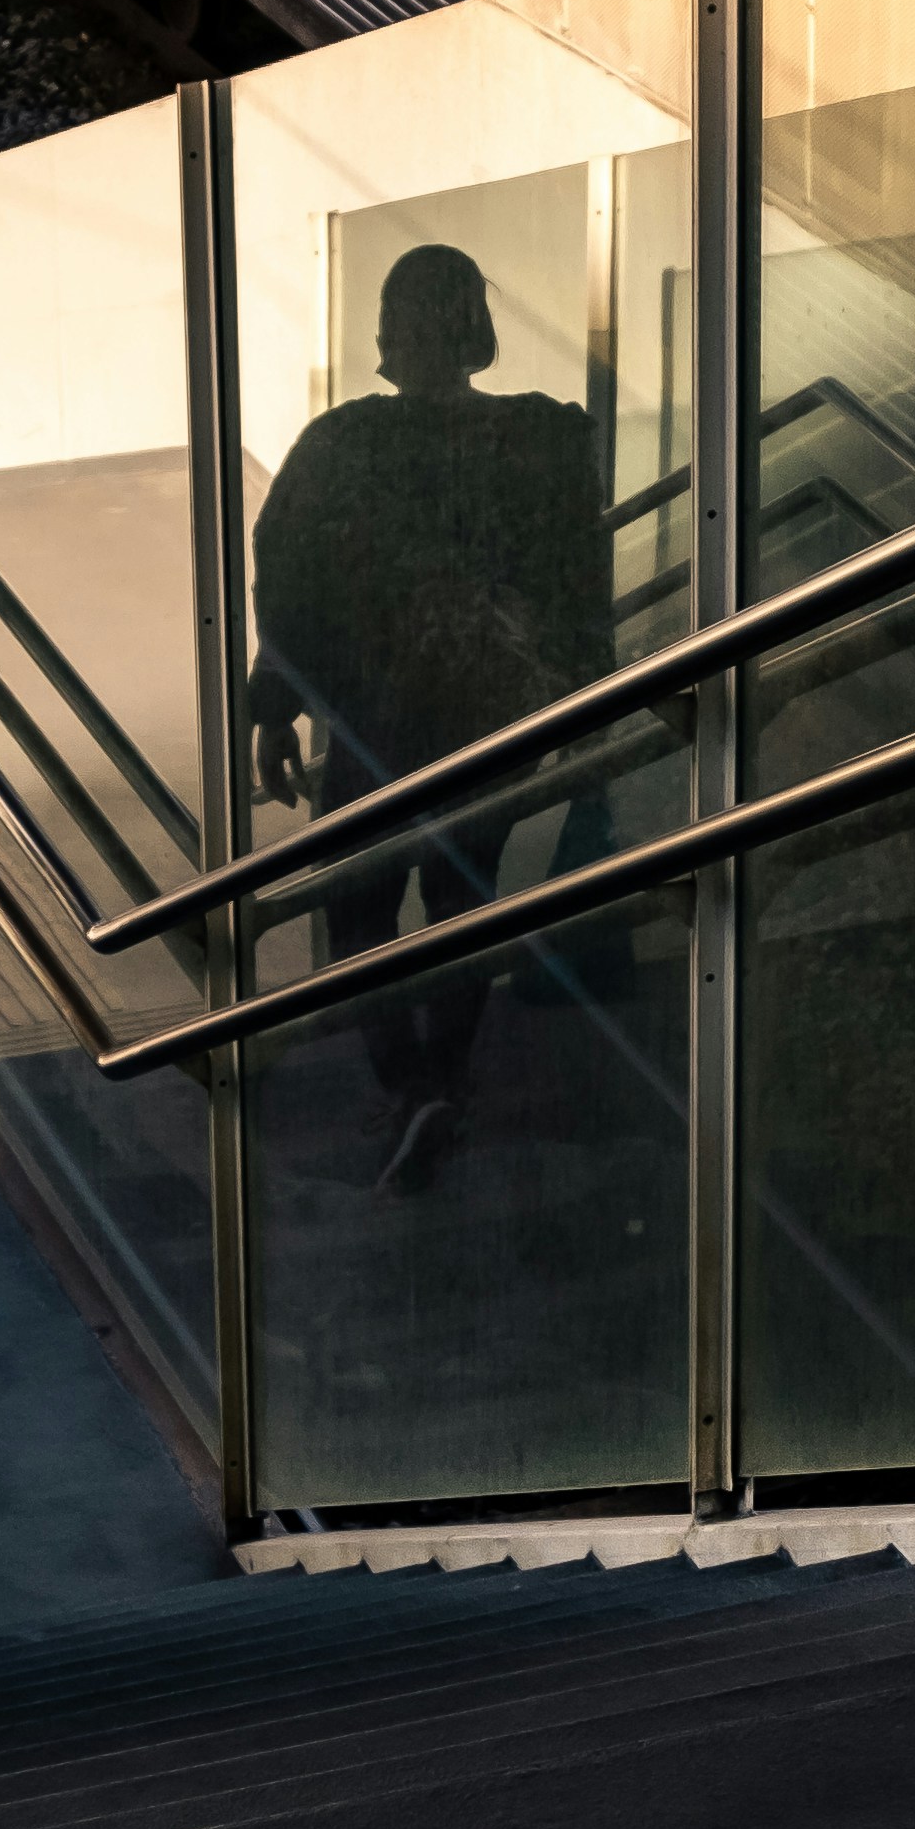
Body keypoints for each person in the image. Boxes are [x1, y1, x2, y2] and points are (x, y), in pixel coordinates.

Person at [245, 243, 606, 1195]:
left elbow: (291, 584)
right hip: (492, 714)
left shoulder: (343, 445)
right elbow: (578, 577)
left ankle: (407, 1082)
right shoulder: (541, 440)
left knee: (357, 902)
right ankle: (444, 1079)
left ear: (392, 332)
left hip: (378, 714)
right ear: (475, 326)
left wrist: (275, 707)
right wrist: (589, 702)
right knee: (461, 897)